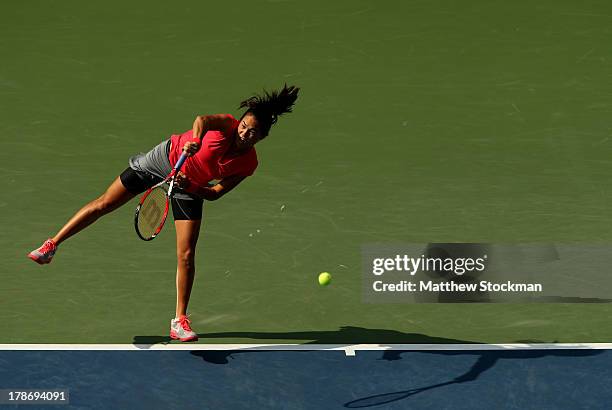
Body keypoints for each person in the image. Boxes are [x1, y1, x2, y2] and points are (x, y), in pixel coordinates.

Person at [27, 84, 300, 342]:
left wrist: (191, 185)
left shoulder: (248, 163)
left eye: (252, 132)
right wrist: (195, 140)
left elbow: (216, 192)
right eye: (244, 126)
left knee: (187, 254)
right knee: (105, 204)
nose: (244, 133)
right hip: (162, 161)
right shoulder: (226, 123)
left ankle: (179, 321)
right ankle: (52, 244)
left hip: (187, 187)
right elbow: (202, 120)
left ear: (263, 137)